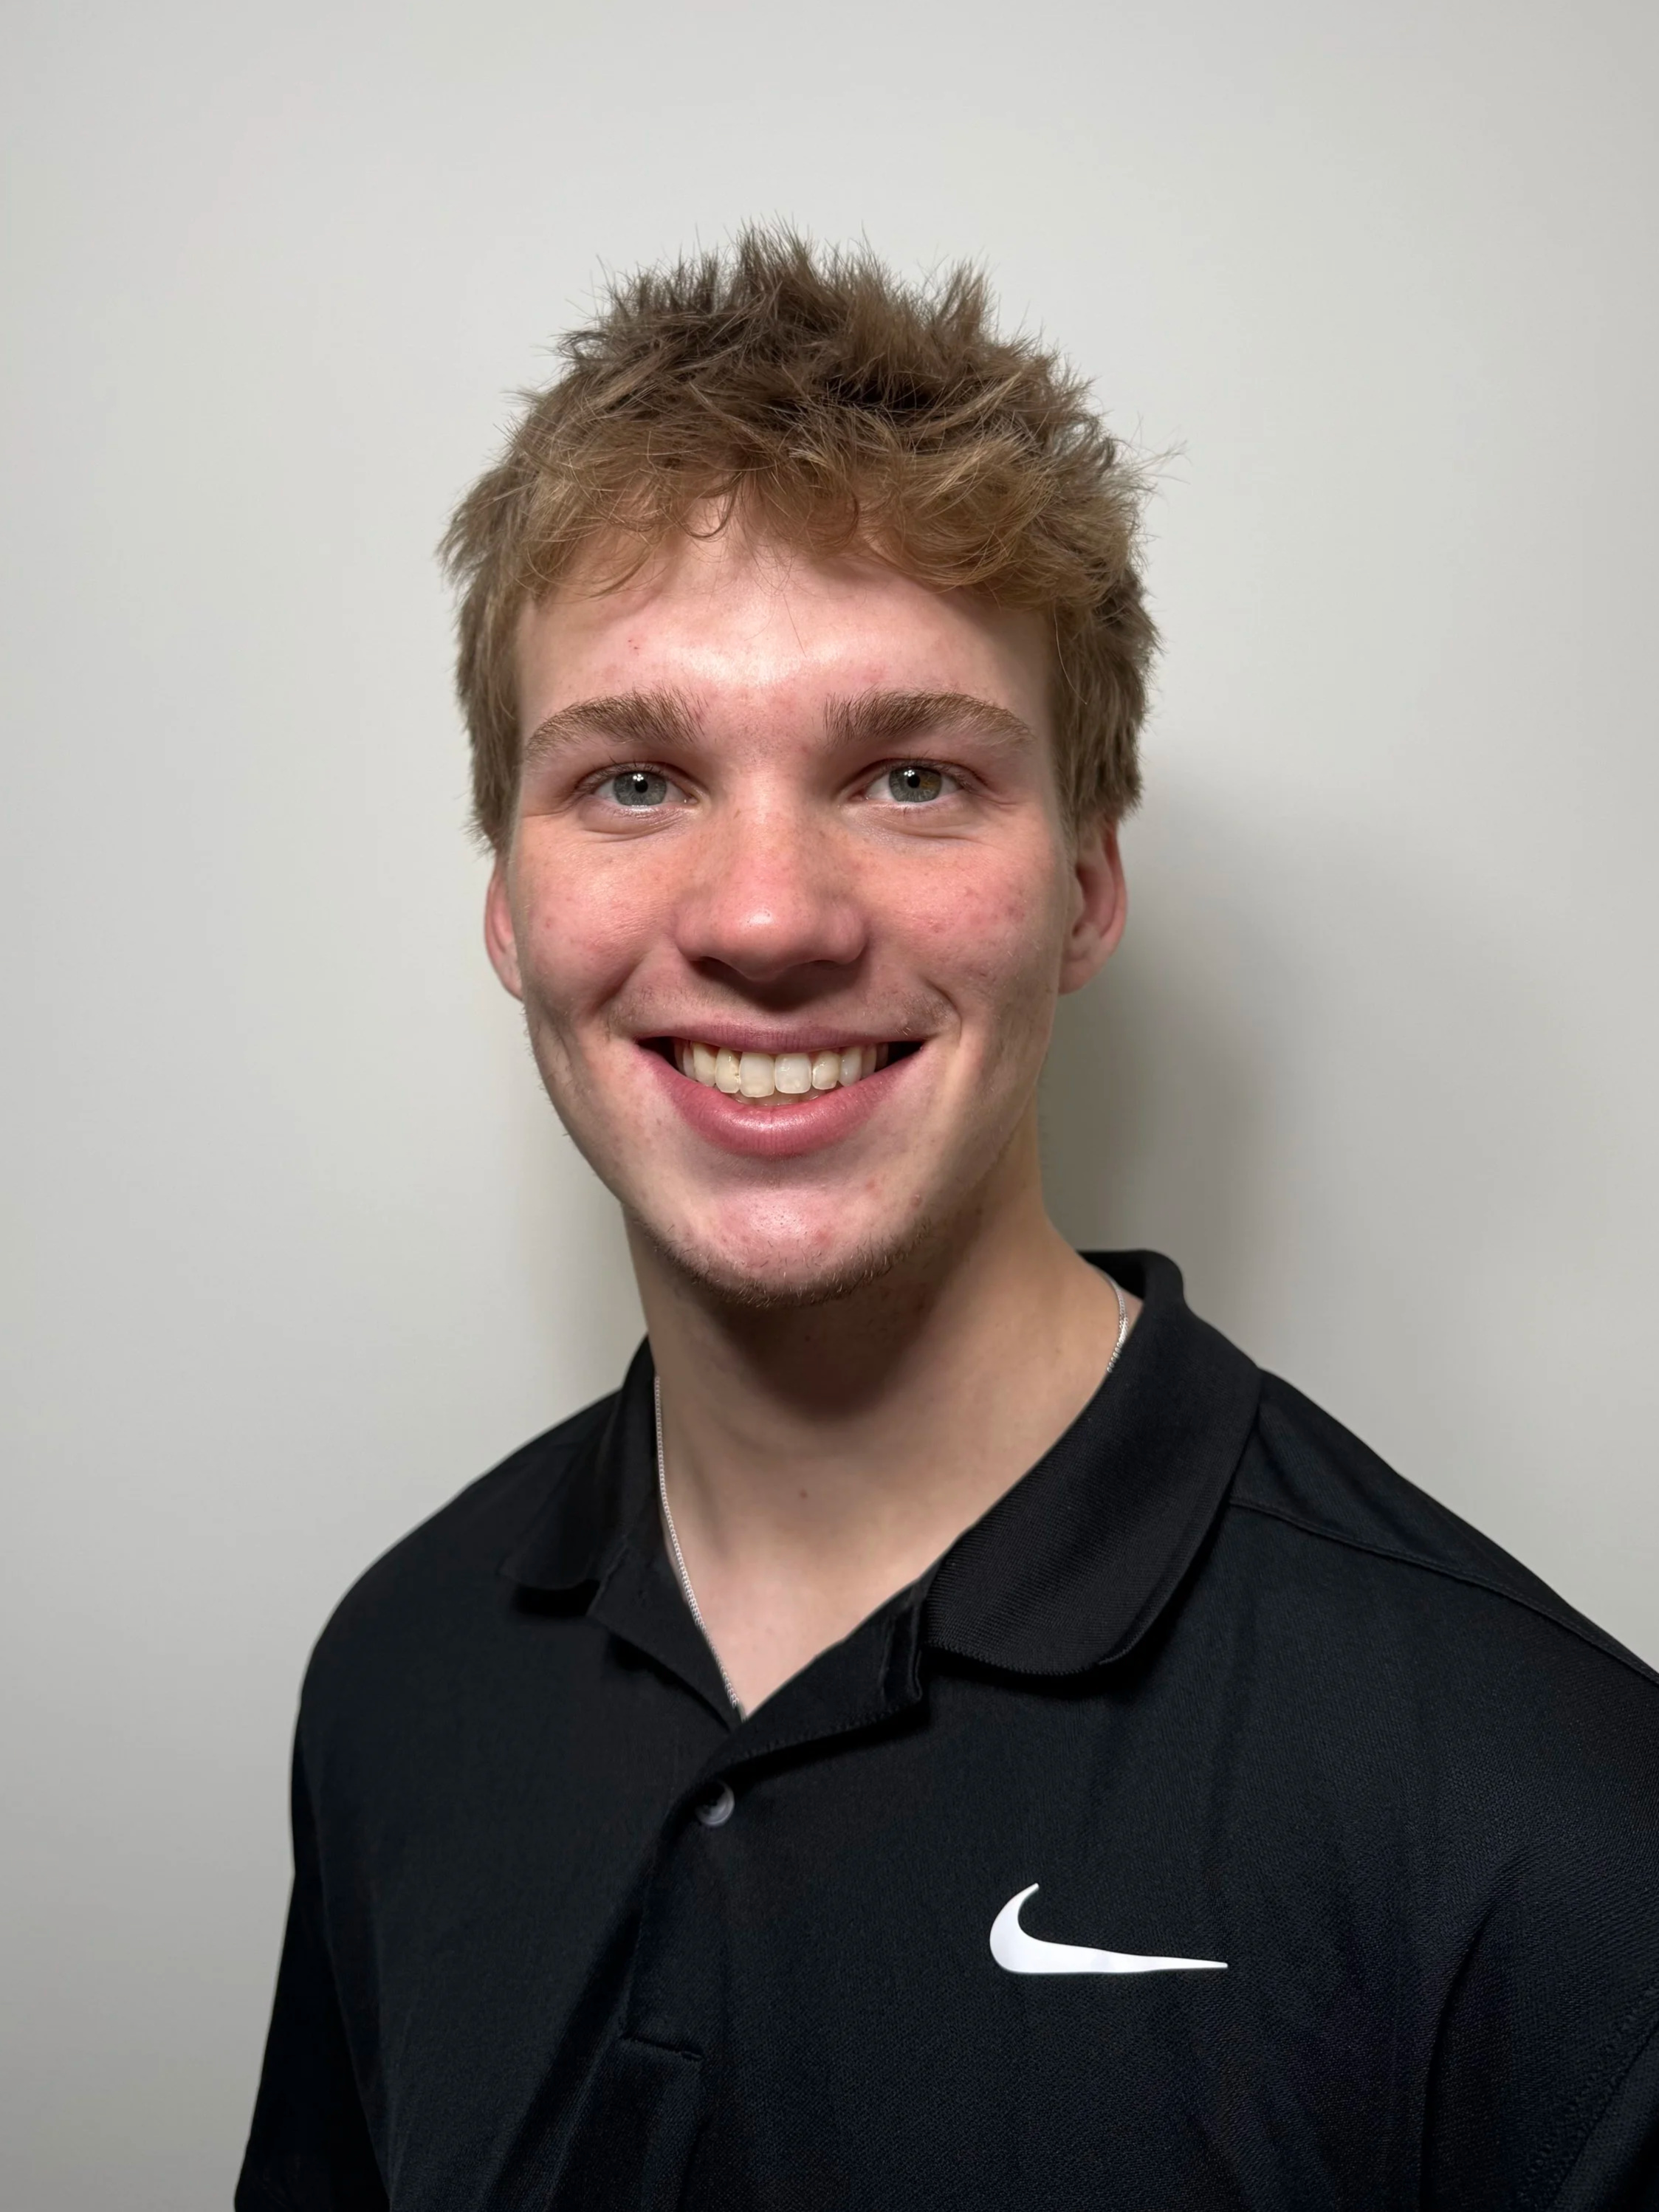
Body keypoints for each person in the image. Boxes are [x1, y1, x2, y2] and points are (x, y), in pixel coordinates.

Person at [236, 233, 1659, 2212]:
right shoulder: (398, 1672)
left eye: (909, 774)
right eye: (634, 777)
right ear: (508, 901)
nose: (762, 916)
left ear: (1083, 888)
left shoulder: (1551, 1830)